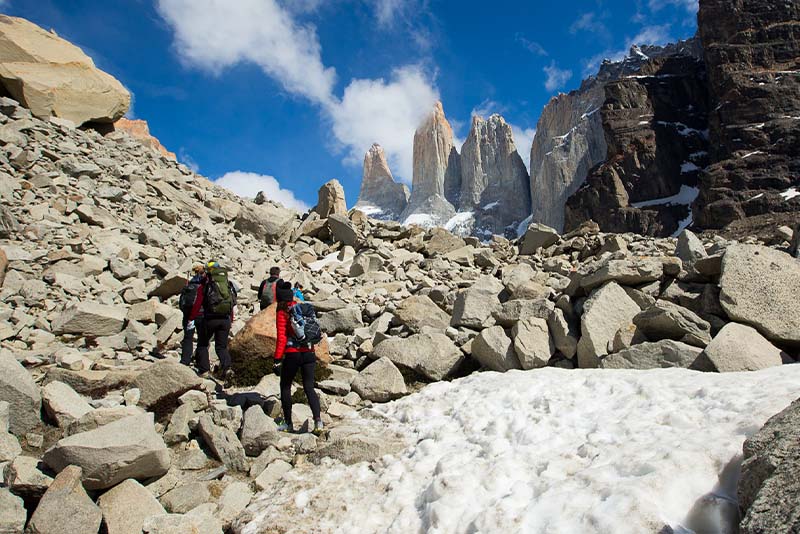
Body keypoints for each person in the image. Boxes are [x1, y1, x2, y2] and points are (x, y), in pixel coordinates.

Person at [273, 280, 323, 434]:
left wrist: (277, 359)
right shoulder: (301, 307)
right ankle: (318, 422)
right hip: (309, 352)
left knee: (285, 386)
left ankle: (288, 423)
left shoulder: (282, 312)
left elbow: (282, 338)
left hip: (292, 354)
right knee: (309, 387)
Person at [188, 260, 236, 380]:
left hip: (210, 319)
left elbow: (198, 304)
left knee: (203, 344)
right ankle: (227, 367)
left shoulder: (205, 286)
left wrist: (191, 318)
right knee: (221, 347)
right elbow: (231, 303)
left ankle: (204, 371)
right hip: (225, 320)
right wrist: (231, 318)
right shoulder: (227, 285)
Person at [179, 264, 205, 368]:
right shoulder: (204, 285)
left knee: (188, 338)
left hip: (188, 315)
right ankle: (200, 362)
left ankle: (185, 361)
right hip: (201, 315)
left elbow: (181, 301)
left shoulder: (189, 284)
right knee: (202, 340)